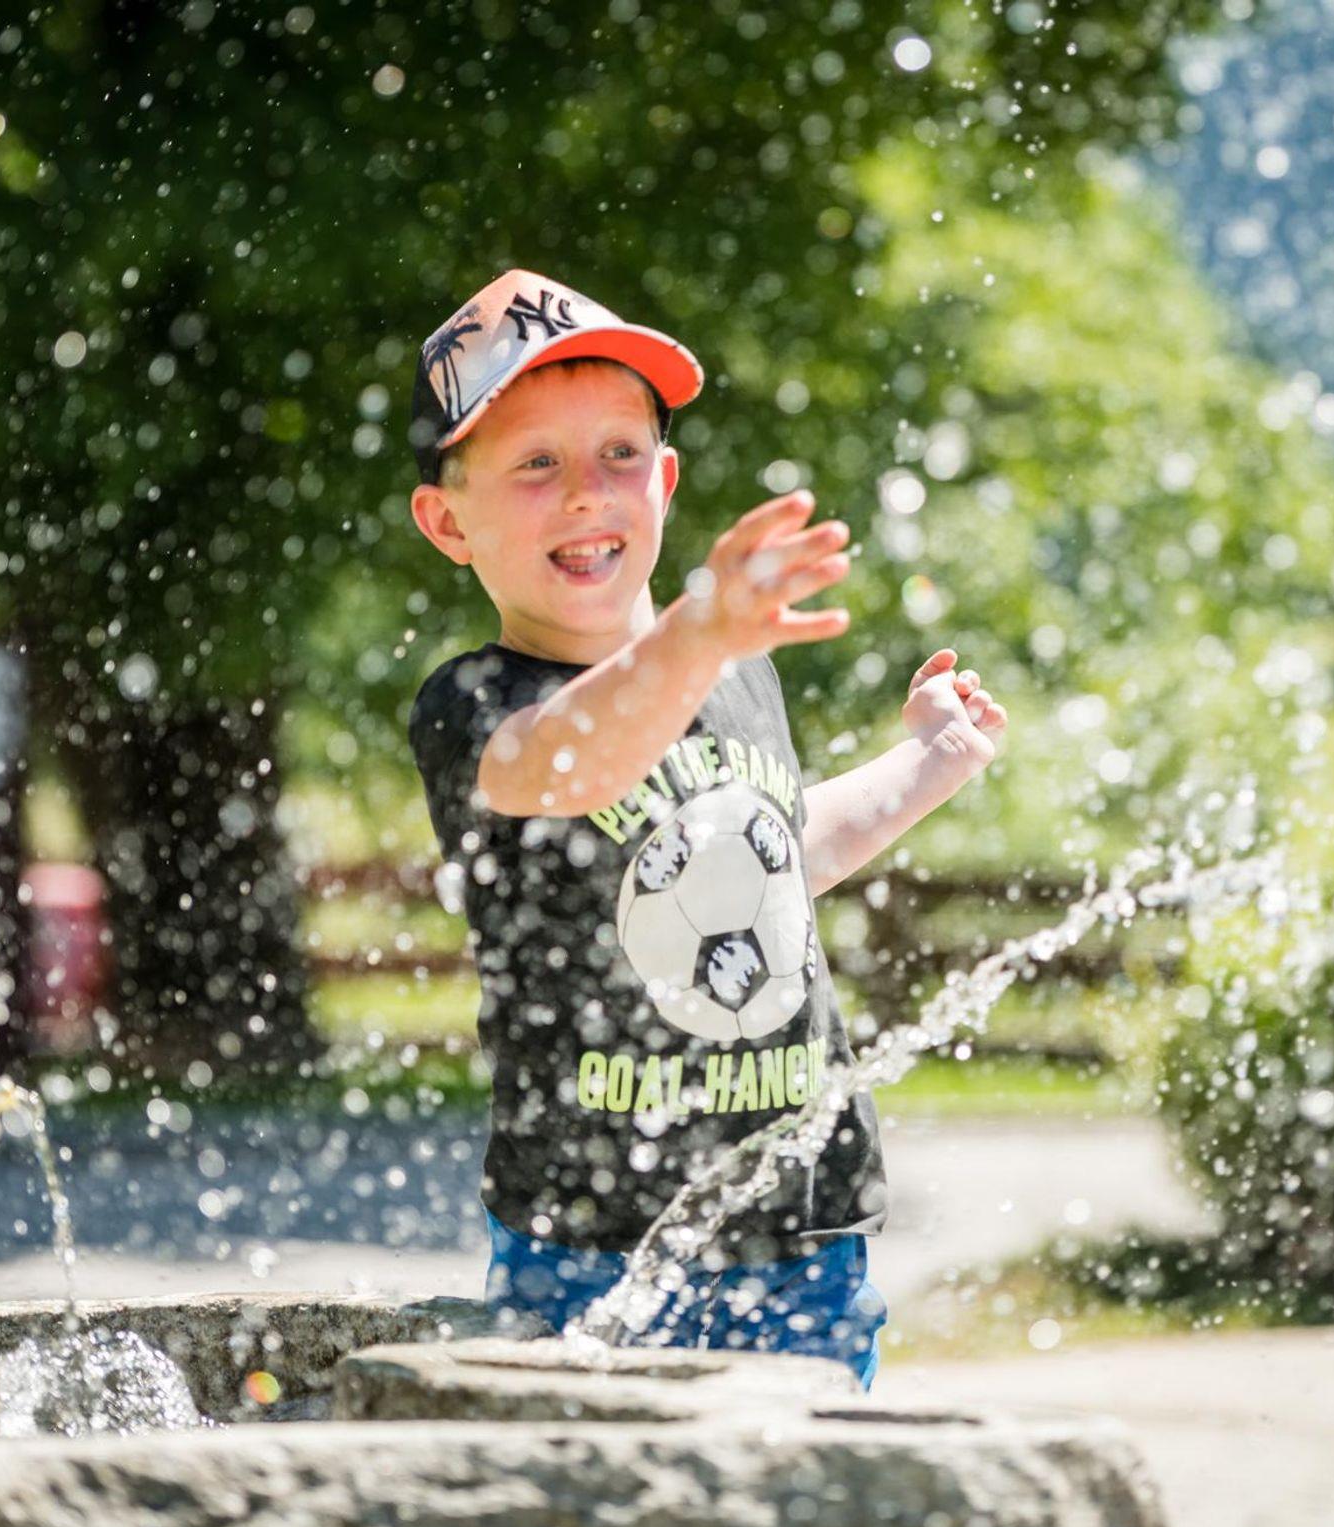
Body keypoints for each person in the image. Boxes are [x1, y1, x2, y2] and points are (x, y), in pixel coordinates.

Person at [403, 270, 1010, 1390]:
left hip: (800, 1224)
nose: (586, 494)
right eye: (535, 464)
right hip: (592, 1239)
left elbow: (777, 854)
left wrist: (930, 761)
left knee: (814, 1479)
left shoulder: (734, 673)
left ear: (665, 481)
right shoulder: (474, 703)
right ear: (449, 521)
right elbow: (570, 763)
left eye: (618, 454)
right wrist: (697, 634)